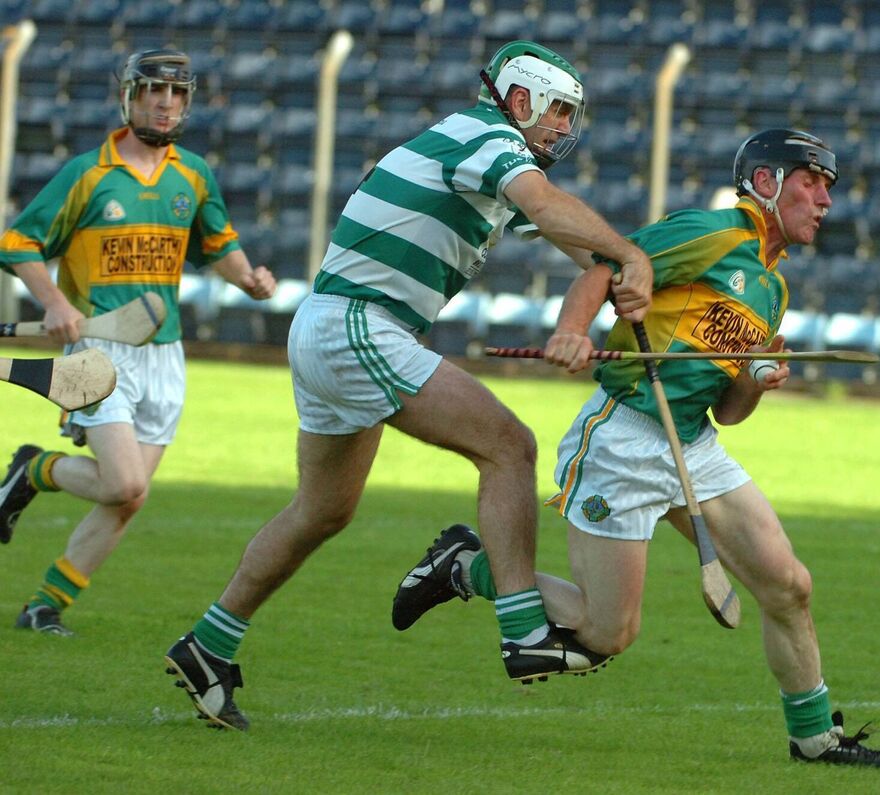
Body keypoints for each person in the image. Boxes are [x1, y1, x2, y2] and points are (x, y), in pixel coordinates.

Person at [163, 40, 652, 731]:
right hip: (362, 325)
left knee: (323, 511)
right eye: (560, 112)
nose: (566, 128)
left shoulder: (486, 160)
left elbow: (584, 249)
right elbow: (548, 209)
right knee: (509, 447)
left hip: (333, 327)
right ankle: (522, 630)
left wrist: (624, 281)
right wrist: (629, 255)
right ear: (521, 102)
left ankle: (208, 645)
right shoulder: (484, 137)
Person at [393, 129, 880, 768]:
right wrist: (572, 330)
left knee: (788, 585)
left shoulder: (772, 291)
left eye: (828, 186)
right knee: (605, 632)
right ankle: (463, 566)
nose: (826, 199)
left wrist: (755, 379)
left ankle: (814, 739)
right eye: (813, 181)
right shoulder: (713, 233)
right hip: (626, 442)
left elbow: (729, 411)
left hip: (694, 441)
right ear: (769, 182)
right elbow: (612, 268)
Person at [0, 49, 277, 636]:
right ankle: (35, 469)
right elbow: (18, 242)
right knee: (124, 481)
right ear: (128, 96)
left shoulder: (193, 175)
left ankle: (44, 605)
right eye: (154, 90)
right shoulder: (87, 173)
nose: (165, 102)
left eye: (177, 93)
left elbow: (218, 243)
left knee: (128, 498)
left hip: (164, 354)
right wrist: (54, 302)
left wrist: (249, 277)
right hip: (97, 351)